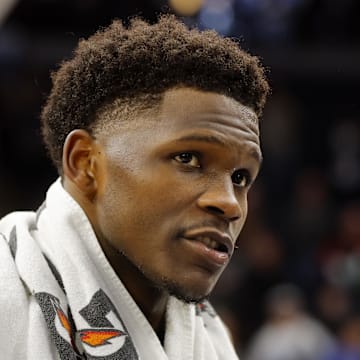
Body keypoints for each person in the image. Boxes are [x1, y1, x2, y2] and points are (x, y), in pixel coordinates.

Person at [0, 14, 269, 359]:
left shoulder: (212, 341)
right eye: (188, 158)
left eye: (240, 178)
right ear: (85, 163)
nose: (229, 203)